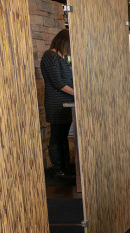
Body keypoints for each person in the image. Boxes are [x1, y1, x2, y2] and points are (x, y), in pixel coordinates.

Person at [40, 29, 75, 179]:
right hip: (56, 103)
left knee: (63, 137)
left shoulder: (61, 58)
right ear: (64, 41)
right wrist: (78, 94)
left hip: (66, 104)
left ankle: (66, 168)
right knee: (57, 137)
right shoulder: (50, 56)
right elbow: (58, 83)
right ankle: (59, 170)